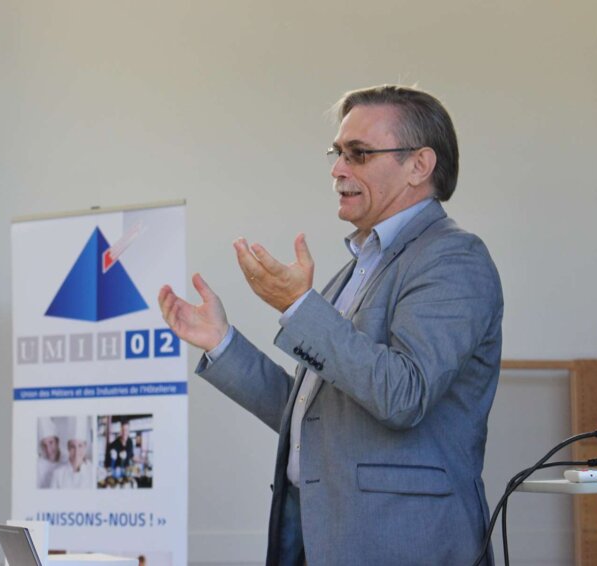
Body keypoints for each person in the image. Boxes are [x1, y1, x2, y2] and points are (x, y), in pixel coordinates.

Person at [158, 85, 502, 565]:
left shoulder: (452, 257)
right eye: (337, 153)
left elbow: (403, 394)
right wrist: (223, 343)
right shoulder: (355, 269)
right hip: (321, 537)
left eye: (358, 154)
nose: (338, 170)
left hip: (402, 544)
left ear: (419, 165)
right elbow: (315, 417)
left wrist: (298, 306)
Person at [36, 417, 62, 489]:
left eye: (51, 442)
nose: (48, 449)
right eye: (44, 445)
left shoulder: (67, 461)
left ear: (57, 442)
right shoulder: (38, 465)